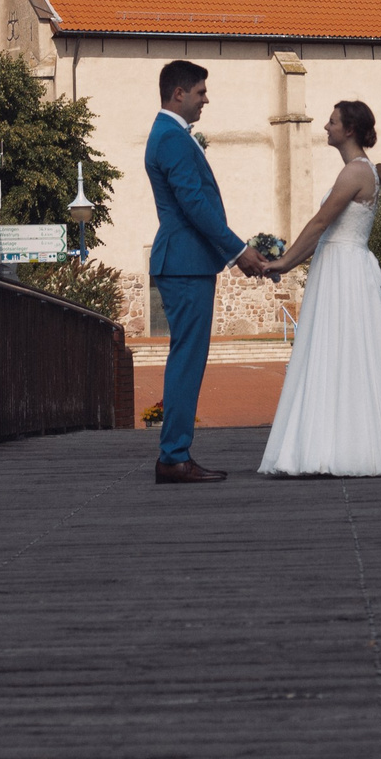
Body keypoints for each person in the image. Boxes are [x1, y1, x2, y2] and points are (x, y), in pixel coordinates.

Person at [249, 99, 381, 478]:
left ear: (349, 129)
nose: (325, 127)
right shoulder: (358, 171)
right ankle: (336, 441)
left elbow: (320, 223)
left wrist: (284, 262)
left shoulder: (355, 172)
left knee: (343, 350)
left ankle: (342, 445)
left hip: (344, 270)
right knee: (338, 351)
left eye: (332, 122)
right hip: (339, 266)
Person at [143, 59, 263, 484]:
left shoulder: (170, 134)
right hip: (185, 261)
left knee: (187, 357)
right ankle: (173, 455)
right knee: (188, 359)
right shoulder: (172, 137)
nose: (205, 99)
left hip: (186, 261)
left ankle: (175, 453)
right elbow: (194, 204)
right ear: (179, 93)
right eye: (200, 92)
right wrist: (238, 251)